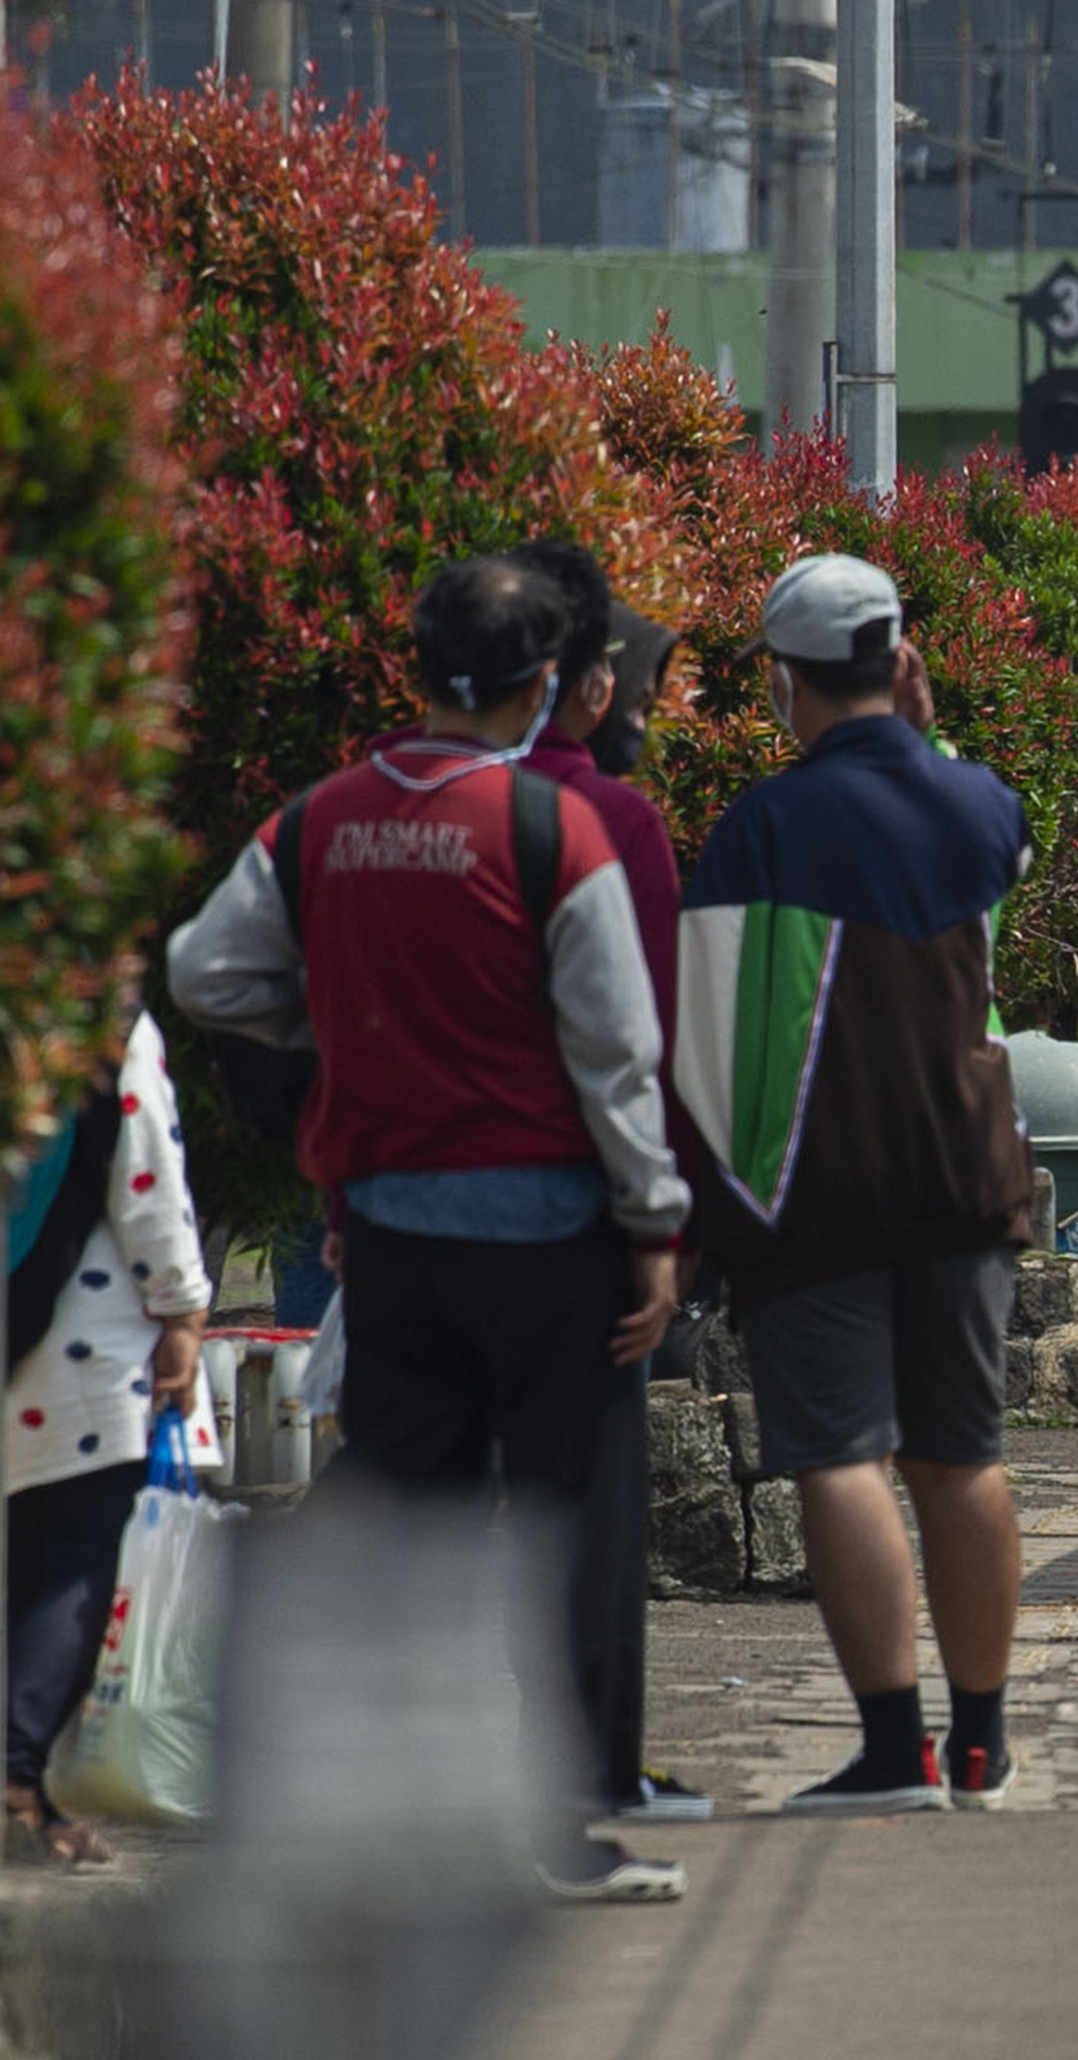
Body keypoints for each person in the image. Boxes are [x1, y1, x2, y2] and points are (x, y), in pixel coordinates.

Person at [165, 553, 691, 1904]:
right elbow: (617, 1053)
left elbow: (203, 969)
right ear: (537, 685)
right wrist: (654, 1222)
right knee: (561, 1524)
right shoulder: (548, 831)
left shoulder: (319, 824)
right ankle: (559, 1829)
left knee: (414, 1516)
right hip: (551, 1230)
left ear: (414, 667)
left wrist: (328, 1023)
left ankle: (386, 1810)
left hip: (393, 1233)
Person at [673, 554, 1037, 1815]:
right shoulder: (982, 804)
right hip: (964, 1174)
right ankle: (982, 1741)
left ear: (781, 683)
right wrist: (929, 744)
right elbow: (995, 865)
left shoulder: (758, 826)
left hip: (809, 1192)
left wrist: (695, 1205)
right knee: (963, 1455)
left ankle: (894, 1755)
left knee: (841, 1457)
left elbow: (707, 1029)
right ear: (901, 660)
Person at [515, 539, 710, 1828]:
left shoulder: (369, 808)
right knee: (587, 1509)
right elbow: (639, 1039)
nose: (644, 706)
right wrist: (665, 1218)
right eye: (637, 682)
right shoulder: (609, 820)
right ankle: (591, 1776)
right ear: (583, 685)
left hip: (407, 1213)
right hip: (577, 1212)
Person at [4, 1013, 211, 1867]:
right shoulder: (93, 1012)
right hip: (82, 1336)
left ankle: (34, 1801)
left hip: (17, 1328)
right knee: (88, 1560)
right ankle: (16, 1775)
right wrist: (184, 1304)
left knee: (27, 1557)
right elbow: (146, 1175)